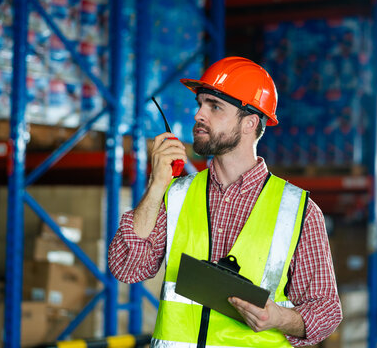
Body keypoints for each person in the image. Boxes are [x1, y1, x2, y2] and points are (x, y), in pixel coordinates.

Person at [108, 56, 342, 347]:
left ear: (250, 123)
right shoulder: (176, 194)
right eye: (200, 104)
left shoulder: (298, 211)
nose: (198, 115)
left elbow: (326, 310)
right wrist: (157, 185)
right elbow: (127, 267)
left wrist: (279, 318)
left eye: (214, 106)